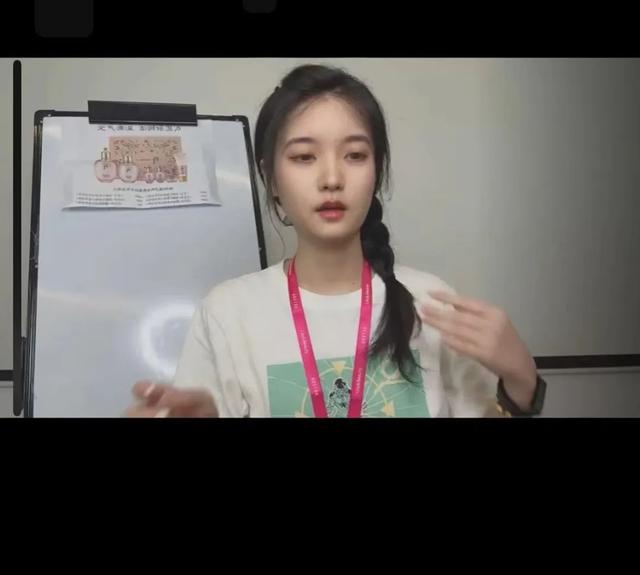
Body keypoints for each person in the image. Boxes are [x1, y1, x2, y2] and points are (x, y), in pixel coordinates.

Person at [126, 64, 546, 418]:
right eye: (304, 157)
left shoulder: (432, 304)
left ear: (377, 172)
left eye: (355, 155)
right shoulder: (227, 314)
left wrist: (522, 382)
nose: (331, 178)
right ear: (271, 179)